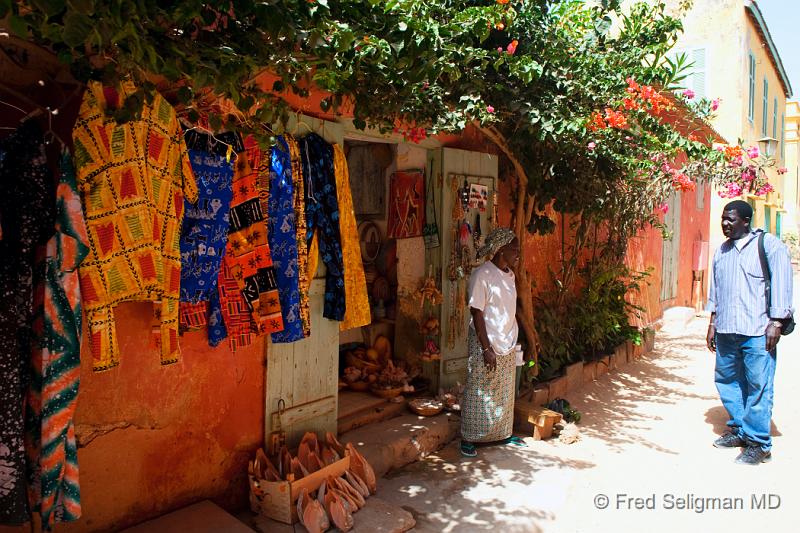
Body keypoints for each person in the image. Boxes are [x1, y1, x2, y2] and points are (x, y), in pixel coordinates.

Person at [706, 200, 794, 465]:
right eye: (723, 219)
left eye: (730, 219)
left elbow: (782, 284)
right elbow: (716, 290)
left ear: (746, 220)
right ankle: (741, 429)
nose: (725, 224)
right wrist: (712, 323)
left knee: (758, 386)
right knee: (727, 380)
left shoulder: (769, 247)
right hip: (727, 329)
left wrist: (776, 322)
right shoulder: (722, 251)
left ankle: (759, 443)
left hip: (758, 330)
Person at [460, 227, 525, 457]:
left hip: (506, 339)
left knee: (503, 391)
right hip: (484, 341)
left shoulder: (510, 275)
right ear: (500, 251)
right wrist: (486, 348)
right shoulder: (482, 275)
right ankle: (468, 438)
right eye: (514, 249)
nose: (518, 253)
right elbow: (477, 313)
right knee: (479, 388)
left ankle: (502, 434)